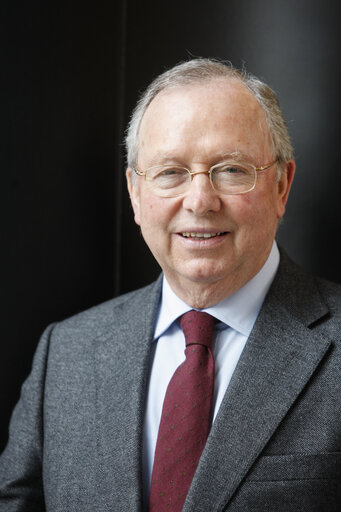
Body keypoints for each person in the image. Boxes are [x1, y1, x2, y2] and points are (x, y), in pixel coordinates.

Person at [0, 58, 340, 512]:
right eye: (170, 172)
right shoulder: (65, 353)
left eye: (232, 169)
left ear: (282, 185)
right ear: (135, 194)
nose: (199, 201)